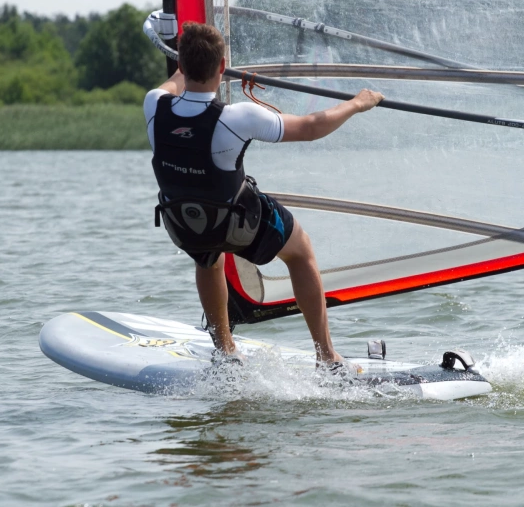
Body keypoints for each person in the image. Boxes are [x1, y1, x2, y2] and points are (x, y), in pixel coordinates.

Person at [144, 22, 383, 371]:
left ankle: (226, 353)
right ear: (222, 66)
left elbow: (175, 83)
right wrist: (358, 103)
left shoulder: (154, 105)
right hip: (237, 224)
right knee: (300, 251)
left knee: (207, 256)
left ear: (180, 63)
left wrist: (187, 60)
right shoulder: (238, 117)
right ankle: (326, 356)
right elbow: (311, 127)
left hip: (184, 226)